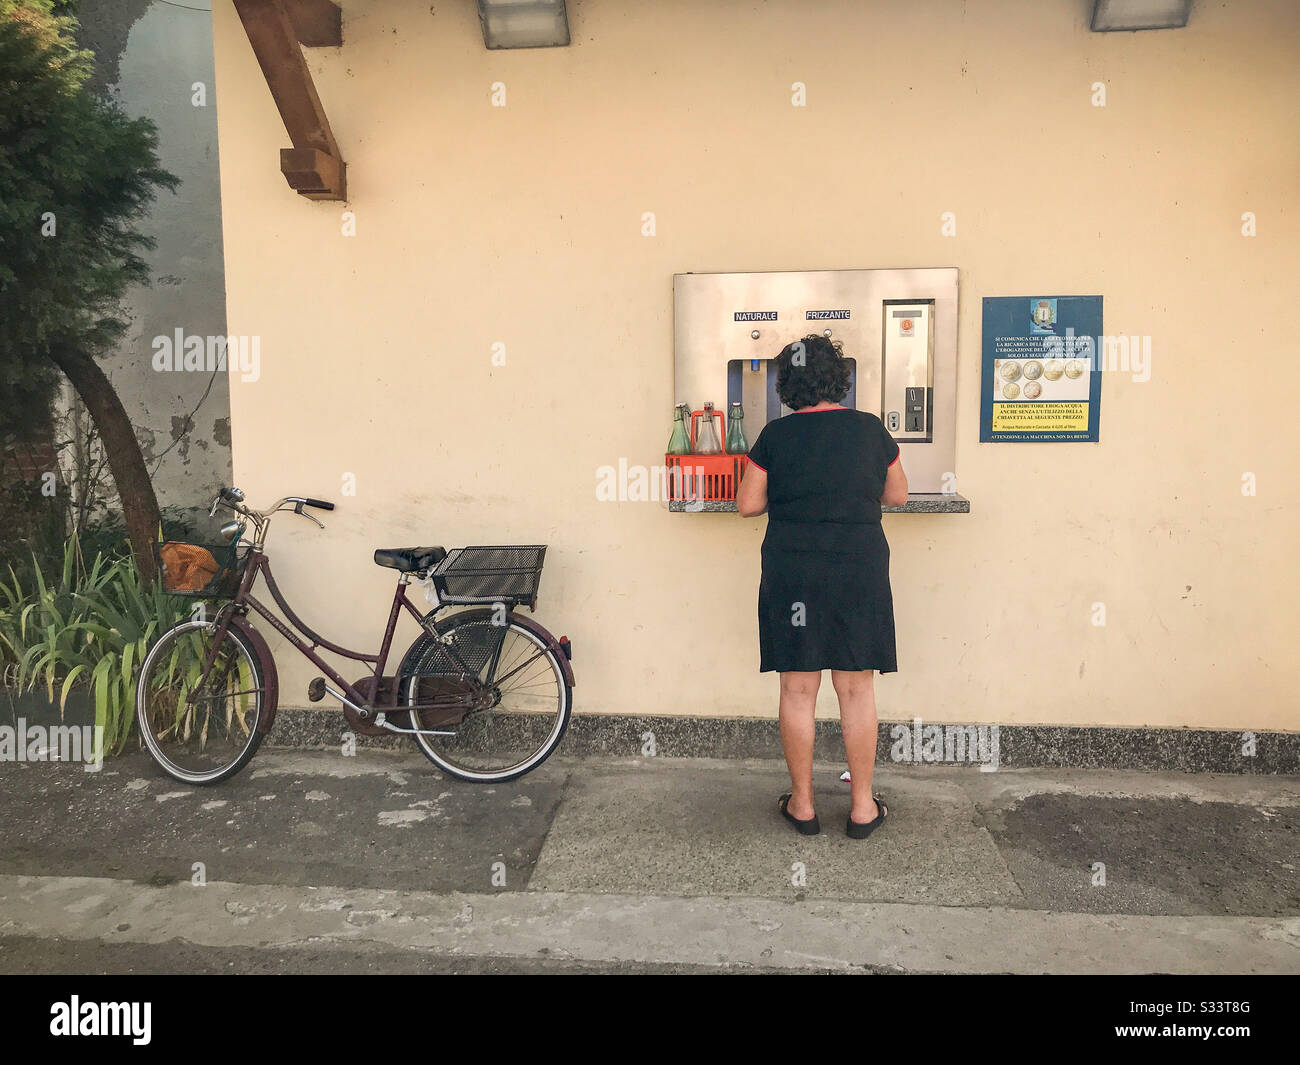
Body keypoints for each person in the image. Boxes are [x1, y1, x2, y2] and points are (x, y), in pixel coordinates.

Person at [736, 334, 907, 839]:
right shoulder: (870, 430)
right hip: (858, 568)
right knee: (855, 689)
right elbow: (896, 494)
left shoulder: (775, 436)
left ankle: (804, 806)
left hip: (794, 571)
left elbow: (747, 504)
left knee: (797, 688)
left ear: (787, 385)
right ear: (840, 379)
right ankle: (861, 809)